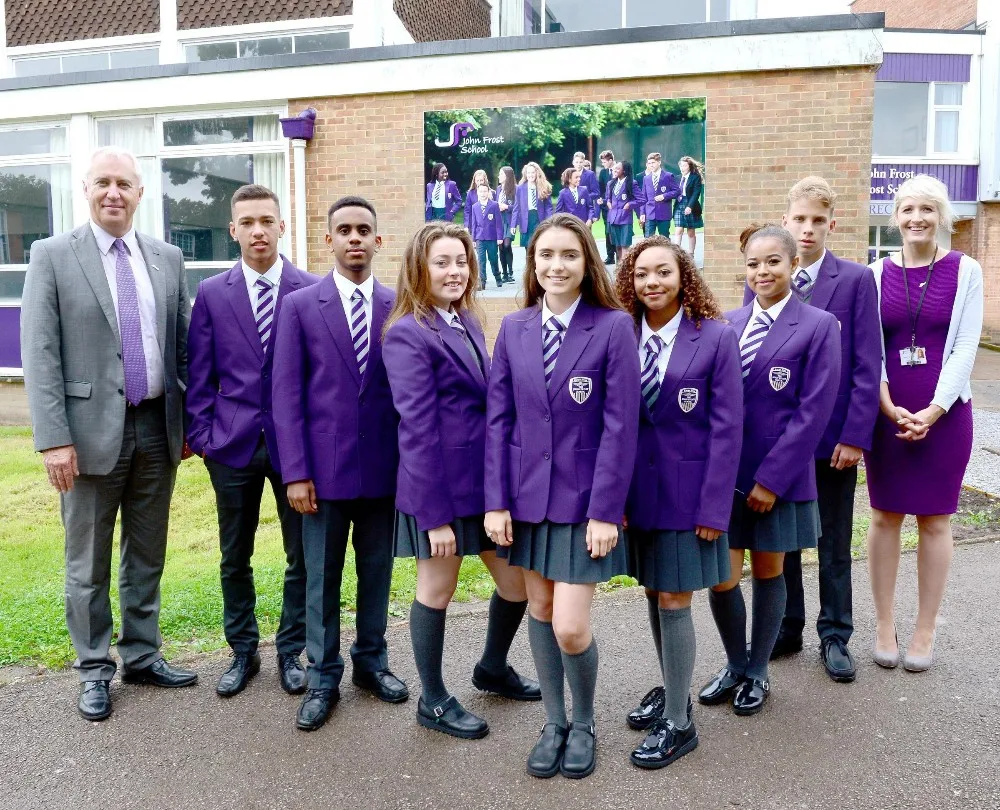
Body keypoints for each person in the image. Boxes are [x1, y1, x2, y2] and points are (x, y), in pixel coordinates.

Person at [21, 147, 196, 722]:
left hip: (155, 428)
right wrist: (53, 438)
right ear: (86, 190)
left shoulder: (167, 258)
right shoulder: (51, 256)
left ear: (141, 194)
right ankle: (95, 668)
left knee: (146, 555)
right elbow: (40, 354)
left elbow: (184, 349)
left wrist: (188, 419)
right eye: (103, 183)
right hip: (87, 435)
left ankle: (142, 656)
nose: (113, 193)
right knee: (87, 563)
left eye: (124, 183)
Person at [485, 213, 640, 779]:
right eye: (546, 255)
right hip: (525, 502)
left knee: (572, 626)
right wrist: (496, 501)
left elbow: (622, 428)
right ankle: (553, 722)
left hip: (583, 506)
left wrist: (605, 511)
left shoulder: (614, 327)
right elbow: (498, 421)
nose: (556, 265)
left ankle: (585, 721)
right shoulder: (514, 327)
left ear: (587, 263)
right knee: (542, 611)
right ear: (532, 261)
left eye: (569, 255)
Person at [383, 221, 540, 741]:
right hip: (439, 491)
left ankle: (491, 667)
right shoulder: (408, 332)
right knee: (438, 587)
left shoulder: (468, 319)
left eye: (462, 261)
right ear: (418, 270)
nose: (455, 272)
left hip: (485, 487)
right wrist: (434, 517)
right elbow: (417, 429)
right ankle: (432, 698)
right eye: (442, 262)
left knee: (515, 584)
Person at [272, 196, 408, 731]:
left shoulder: (398, 307)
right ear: (328, 240)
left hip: (383, 472)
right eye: (344, 230)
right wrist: (296, 472)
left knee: (376, 573)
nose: (355, 238)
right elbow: (286, 398)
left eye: (364, 230)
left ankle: (371, 663)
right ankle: (323, 674)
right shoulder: (301, 306)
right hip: (321, 477)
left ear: (378, 241)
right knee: (320, 577)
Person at [742, 177, 881, 683]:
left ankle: (836, 633)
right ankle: (788, 625)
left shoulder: (855, 279)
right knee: (786, 539)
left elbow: (867, 362)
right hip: (781, 446)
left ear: (831, 225)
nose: (807, 229)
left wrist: (856, 434)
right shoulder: (765, 275)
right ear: (786, 221)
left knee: (833, 539)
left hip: (832, 441)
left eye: (817, 221)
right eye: (798, 219)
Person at [699, 225, 839, 716]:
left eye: (773, 262)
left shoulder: (820, 325)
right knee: (721, 576)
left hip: (780, 476)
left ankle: (759, 670)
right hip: (725, 476)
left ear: (793, 265)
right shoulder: (726, 324)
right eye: (753, 263)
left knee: (768, 569)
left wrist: (771, 480)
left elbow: (814, 412)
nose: (762, 272)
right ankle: (736, 663)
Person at [186, 184, 319, 698]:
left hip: (296, 451)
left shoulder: (309, 291)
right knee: (232, 556)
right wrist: (203, 437)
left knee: (300, 556)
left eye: (267, 220)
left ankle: (291, 650)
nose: (258, 230)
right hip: (232, 445)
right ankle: (243, 651)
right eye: (248, 222)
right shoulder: (213, 295)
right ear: (234, 230)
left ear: (282, 226)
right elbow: (198, 375)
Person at [615, 237, 742, 768]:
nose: (652, 283)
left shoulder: (714, 337)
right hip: (636, 495)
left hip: (689, 499)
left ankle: (680, 724)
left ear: (683, 275)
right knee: (653, 590)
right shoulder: (619, 334)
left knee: (674, 599)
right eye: (642, 273)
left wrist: (715, 509)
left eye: (663, 272)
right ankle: (675, 690)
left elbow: (728, 429)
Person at [864, 175, 983, 672]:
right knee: (884, 517)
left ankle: (924, 630)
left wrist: (934, 410)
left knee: (935, 521)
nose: (917, 218)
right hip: (888, 413)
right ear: (895, 216)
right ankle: (885, 623)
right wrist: (890, 406)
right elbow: (870, 347)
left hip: (947, 415)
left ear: (942, 217)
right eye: (908, 208)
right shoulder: (874, 274)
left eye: (927, 210)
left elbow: (964, 348)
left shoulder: (966, 270)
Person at [466, 182, 506, 290]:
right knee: (481, 260)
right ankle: (482, 281)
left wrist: (499, 237)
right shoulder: (475, 207)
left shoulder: (494, 205)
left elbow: (499, 223)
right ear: (477, 193)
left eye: (485, 191)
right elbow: (473, 224)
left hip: (492, 238)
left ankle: (498, 276)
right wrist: (473, 239)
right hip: (480, 238)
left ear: (488, 192)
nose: (483, 193)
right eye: (481, 191)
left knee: (493, 259)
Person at [606, 161, 645, 264]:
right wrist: (608, 202)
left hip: (625, 219)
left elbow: (641, 199)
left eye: (618, 168)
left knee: (625, 245)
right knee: (617, 245)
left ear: (624, 170)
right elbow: (607, 198)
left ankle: (625, 269)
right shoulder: (610, 183)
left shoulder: (632, 183)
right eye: (615, 168)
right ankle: (619, 268)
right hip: (613, 218)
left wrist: (629, 204)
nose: (615, 170)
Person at [510, 162, 553, 248]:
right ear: (525, 174)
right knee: (528, 246)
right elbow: (516, 208)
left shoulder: (544, 186)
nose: (530, 175)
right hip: (525, 220)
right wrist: (513, 225)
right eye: (528, 172)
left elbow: (548, 207)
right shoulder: (520, 188)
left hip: (539, 218)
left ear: (537, 173)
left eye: (533, 172)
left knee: (538, 244)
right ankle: (528, 261)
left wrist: (550, 221)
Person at [639, 153, 680, 239]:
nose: (651, 165)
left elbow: (677, 191)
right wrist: (642, 213)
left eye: (653, 162)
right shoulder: (646, 178)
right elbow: (643, 198)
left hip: (663, 213)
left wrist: (664, 196)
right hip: (650, 214)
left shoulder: (668, 176)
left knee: (664, 239)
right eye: (649, 163)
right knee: (648, 240)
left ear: (659, 162)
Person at [673, 157, 705, 258]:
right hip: (679, 204)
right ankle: (676, 253)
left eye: (684, 165)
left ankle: (691, 253)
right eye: (681, 165)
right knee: (678, 230)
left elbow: (696, 193)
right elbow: (674, 192)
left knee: (691, 231)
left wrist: (690, 206)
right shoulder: (677, 178)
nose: (682, 168)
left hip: (691, 204)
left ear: (689, 166)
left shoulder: (695, 177)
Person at [496, 166, 517, 284]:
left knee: (507, 244)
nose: (499, 176)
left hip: (509, 220)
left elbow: (518, 207)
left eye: (501, 174)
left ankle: (510, 272)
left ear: (507, 176)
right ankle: (504, 273)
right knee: (501, 246)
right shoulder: (498, 189)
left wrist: (507, 207)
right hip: (499, 221)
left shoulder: (515, 189)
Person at [597, 150, 616, 264]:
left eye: (604, 162)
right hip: (606, 207)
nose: (603, 164)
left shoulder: (620, 169)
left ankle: (619, 253)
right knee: (607, 231)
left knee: (616, 230)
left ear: (611, 161)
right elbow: (601, 190)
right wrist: (602, 201)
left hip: (618, 207)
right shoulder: (603, 173)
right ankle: (610, 256)